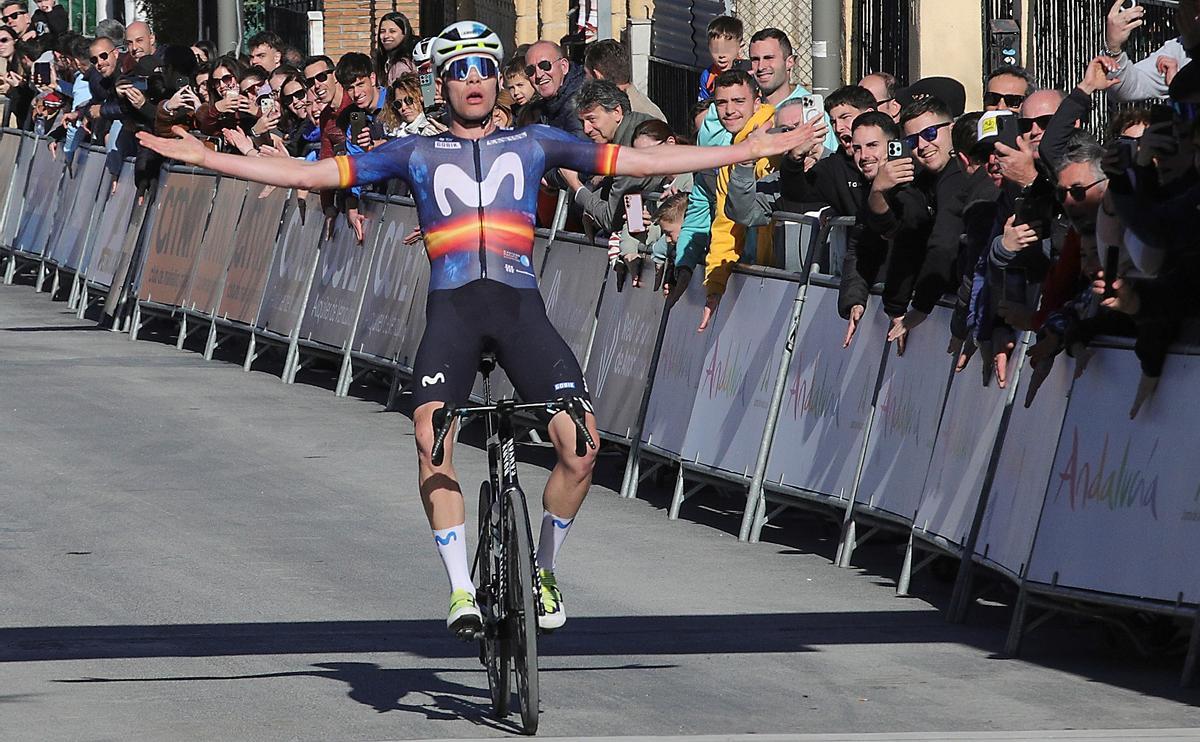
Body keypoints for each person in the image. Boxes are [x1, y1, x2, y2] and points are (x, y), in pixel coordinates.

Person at [137, 20, 813, 637]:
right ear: (443, 82)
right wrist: (208, 159)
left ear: (498, 81)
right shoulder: (413, 151)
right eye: (459, 71)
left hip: (520, 309)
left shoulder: (536, 139)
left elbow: (644, 163)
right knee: (432, 436)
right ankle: (461, 588)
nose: (473, 82)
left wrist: (761, 144)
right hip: (454, 311)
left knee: (582, 445)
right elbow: (307, 172)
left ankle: (543, 567)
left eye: (484, 71)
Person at [582, 38, 664, 120]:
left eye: (586, 73)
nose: (584, 79)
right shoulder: (647, 109)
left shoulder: (642, 118)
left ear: (597, 76)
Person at [524, 39, 585, 138]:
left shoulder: (579, 101)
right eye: (530, 70)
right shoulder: (540, 107)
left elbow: (579, 147)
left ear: (564, 66)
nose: (539, 75)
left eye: (544, 65)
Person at [698, 15, 742, 101]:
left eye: (727, 49)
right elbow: (702, 107)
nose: (722, 55)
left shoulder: (748, 72)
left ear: (740, 46)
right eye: (716, 50)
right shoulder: (707, 76)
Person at [373, 11, 416, 84]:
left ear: (404, 34)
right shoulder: (385, 61)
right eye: (382, 31)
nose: (386, 36)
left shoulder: (401, 66)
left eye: (392, 31)